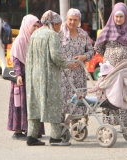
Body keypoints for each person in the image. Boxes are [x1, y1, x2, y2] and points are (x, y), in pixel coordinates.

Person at [25, 10, 78, 146]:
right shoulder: (52, 35)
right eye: (59, 24)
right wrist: (68, 64)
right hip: (48, 76)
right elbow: (55, 57)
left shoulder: (35, 34)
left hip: (33, 76)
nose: (60, 27)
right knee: (55, 103)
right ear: (53, 23)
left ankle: (31, 136)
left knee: (35, 104)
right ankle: (55, 138)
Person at [94, 2, 127, 125]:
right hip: (111, 69)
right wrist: (110, 55)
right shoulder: (107, 30)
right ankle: (111, 122)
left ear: (125, 17)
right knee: (111, 92)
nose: (119, 19)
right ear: (113, 16)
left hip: (126, 67)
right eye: (116, 16)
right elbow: (98, 47)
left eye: (121, 16)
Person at [7, 14, 45, 140]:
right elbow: (16, 59)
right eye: (33, 25)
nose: (35, 28)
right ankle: (18, 131)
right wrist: (18, 75)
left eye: (37, 25)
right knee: (20, 103)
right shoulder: (20, 40)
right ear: (27, 25)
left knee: (34, 103)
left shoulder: (35, 39)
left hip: (33, 76)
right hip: (22, 77)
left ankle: (34, 130)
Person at [59, 8, 94, 125]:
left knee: (78, 101)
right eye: (70, 19)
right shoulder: (59, 34)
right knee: (62, 102)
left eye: (75, 20)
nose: (72, 22)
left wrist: (84, 57)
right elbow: (54, 53)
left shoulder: (83, 35)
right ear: (66, 19)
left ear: (79, 21)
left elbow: (91, 52)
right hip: (63, 75)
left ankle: (76, 127)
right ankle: (60, 129)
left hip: (79, 75)